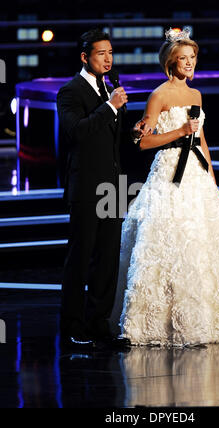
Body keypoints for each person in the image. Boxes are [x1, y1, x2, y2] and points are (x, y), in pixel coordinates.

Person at [114, 28, 219, 347]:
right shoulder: (159, 95)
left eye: (192, 57)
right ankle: (160, 320)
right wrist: (180, 132)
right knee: (169, 241)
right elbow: (143, 142)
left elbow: (201, 140)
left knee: (203, 243)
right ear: (171, 62)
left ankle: (210, 319)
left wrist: (211, 175)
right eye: (183, 58)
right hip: (170, 172)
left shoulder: (196, 95)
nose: (189, 63)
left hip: (196, 175)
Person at [56, 28, 149, 349]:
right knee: (81, 257)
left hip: (113, 186)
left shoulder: (111, 89)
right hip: (85, 187)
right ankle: (72, 326)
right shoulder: (70, 92)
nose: (108, 59)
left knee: (107, 258)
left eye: (111, 53)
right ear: (85, 57)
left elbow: (116, 140)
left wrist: (134, 133)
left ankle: (99, 324)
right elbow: (76, 132)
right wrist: (110, 106)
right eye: (101, 54)